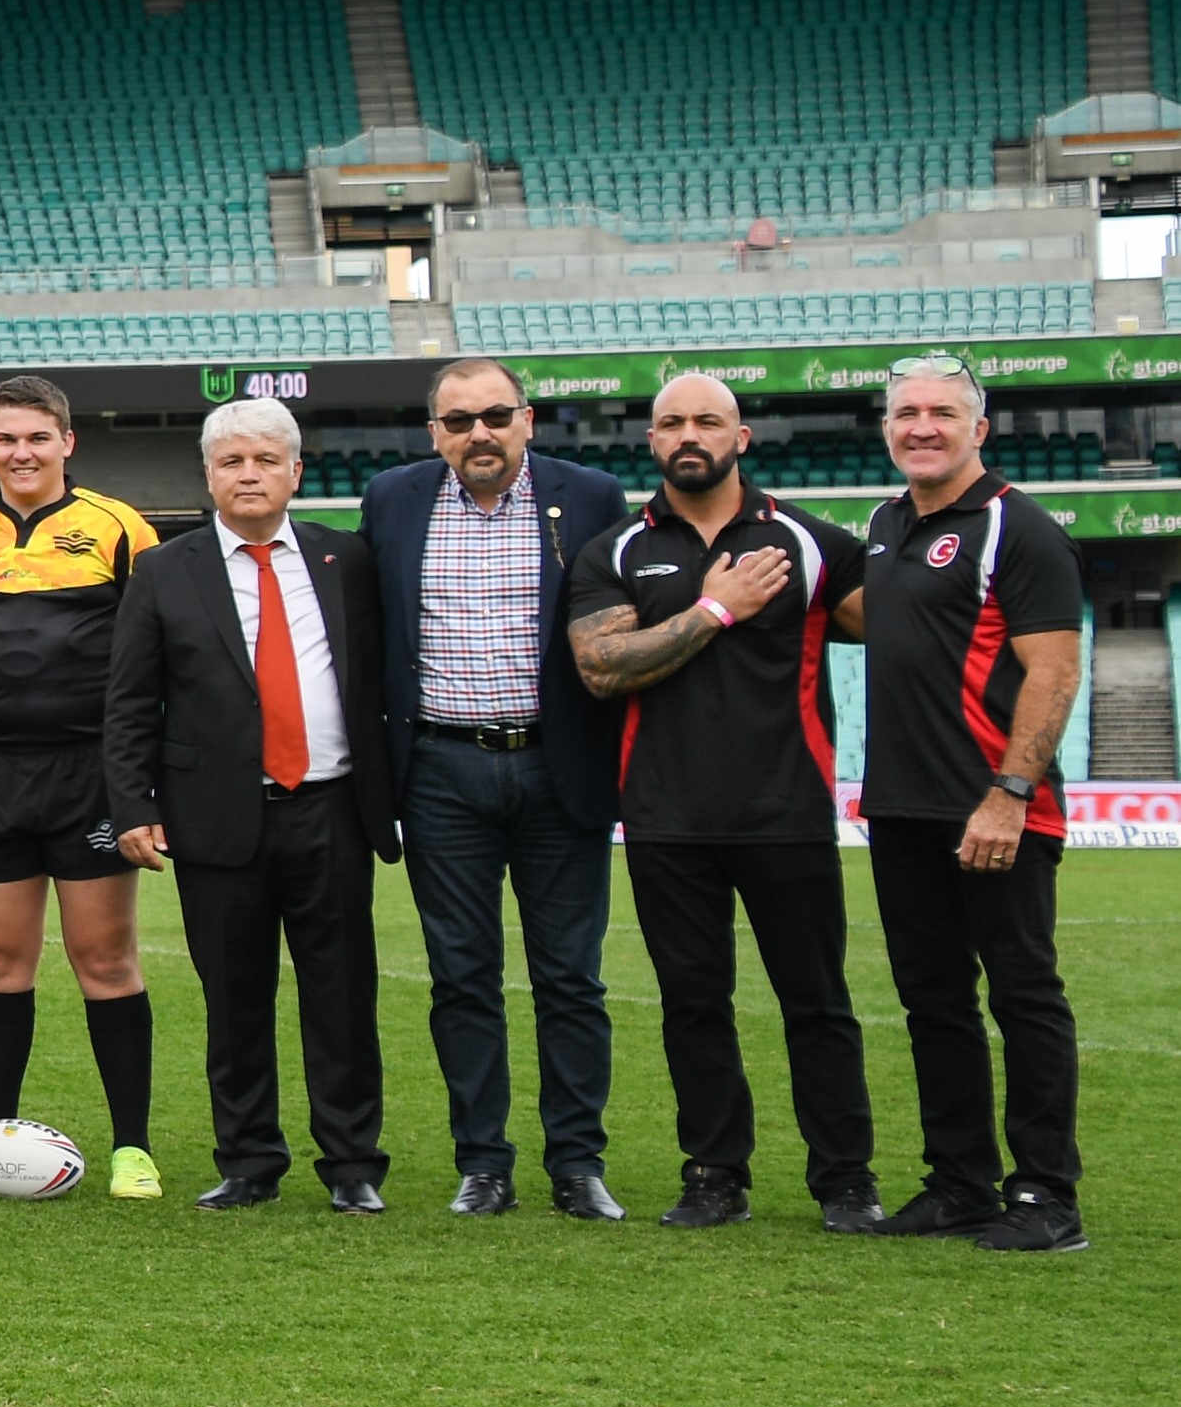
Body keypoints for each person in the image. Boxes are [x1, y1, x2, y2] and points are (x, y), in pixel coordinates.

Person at [572, 369, 882, 1233]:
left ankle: (845, 1179)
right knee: (693, 1004)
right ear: (650, 442)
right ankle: (713, 1174)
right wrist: (716, 606)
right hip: (665, 816)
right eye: (670, 421)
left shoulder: (809, 541)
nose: (688, 434)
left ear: (740, 436)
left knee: (816, 1002)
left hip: (786, 810)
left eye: (707, 419)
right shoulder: (617, 550)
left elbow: (904, 624)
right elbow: (601, 668)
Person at [102, 397, 396, 1213]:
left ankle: (351, 1165)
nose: (248, 474)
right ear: (207, 475)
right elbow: (130, 699)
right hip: (215, 815)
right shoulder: (166, 567)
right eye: (231, 461)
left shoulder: (349, 561)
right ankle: (247, 1160)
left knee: (341, 995)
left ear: (294, 473)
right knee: (233, 998)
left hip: (331, 808)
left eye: (264, 460)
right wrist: (131, 803)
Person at [355, 355, 625, 1219]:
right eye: (459, 420)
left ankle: (577, 1162)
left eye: (495, 416)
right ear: (433, 432)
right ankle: (483, 1161)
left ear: (528, 420)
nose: (480, 433)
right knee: (461, 976)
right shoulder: (391, 500)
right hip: (439, 769)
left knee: (569, 978)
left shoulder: (589, 496)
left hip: (558, 764)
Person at [837, 351, 1086, 1248]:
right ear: (887, 428)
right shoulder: (884, 521)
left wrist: (1009, 791)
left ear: (978, 428)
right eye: (906, 412)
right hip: (901, 809)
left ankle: (1045, 1197)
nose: (922, 426)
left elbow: (1053, 669)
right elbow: (878, 621)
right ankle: (958, 1183)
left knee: (1022, 995)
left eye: (943, 411)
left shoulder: (1018, 528)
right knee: (933, 1001)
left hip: (994, 805)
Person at [0, 377, 175, 1183]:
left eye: (37, 437)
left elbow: (155, 651)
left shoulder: (118, 529)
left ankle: (130, 1145)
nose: (21, 452)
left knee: (104, 958)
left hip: (91, 772)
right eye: (5, 438)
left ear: (67, 441)